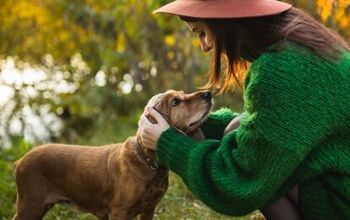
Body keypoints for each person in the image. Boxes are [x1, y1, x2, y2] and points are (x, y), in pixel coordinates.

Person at [137, 0, 350, 219]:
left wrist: (169, 143)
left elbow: (238, 182)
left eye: (201, 32)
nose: (205, 46)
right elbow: (269, 129)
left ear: (223, 20)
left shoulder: (278, 70)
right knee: (236, 127)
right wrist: (185, 120)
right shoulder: (300, 44)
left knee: (257, 164)